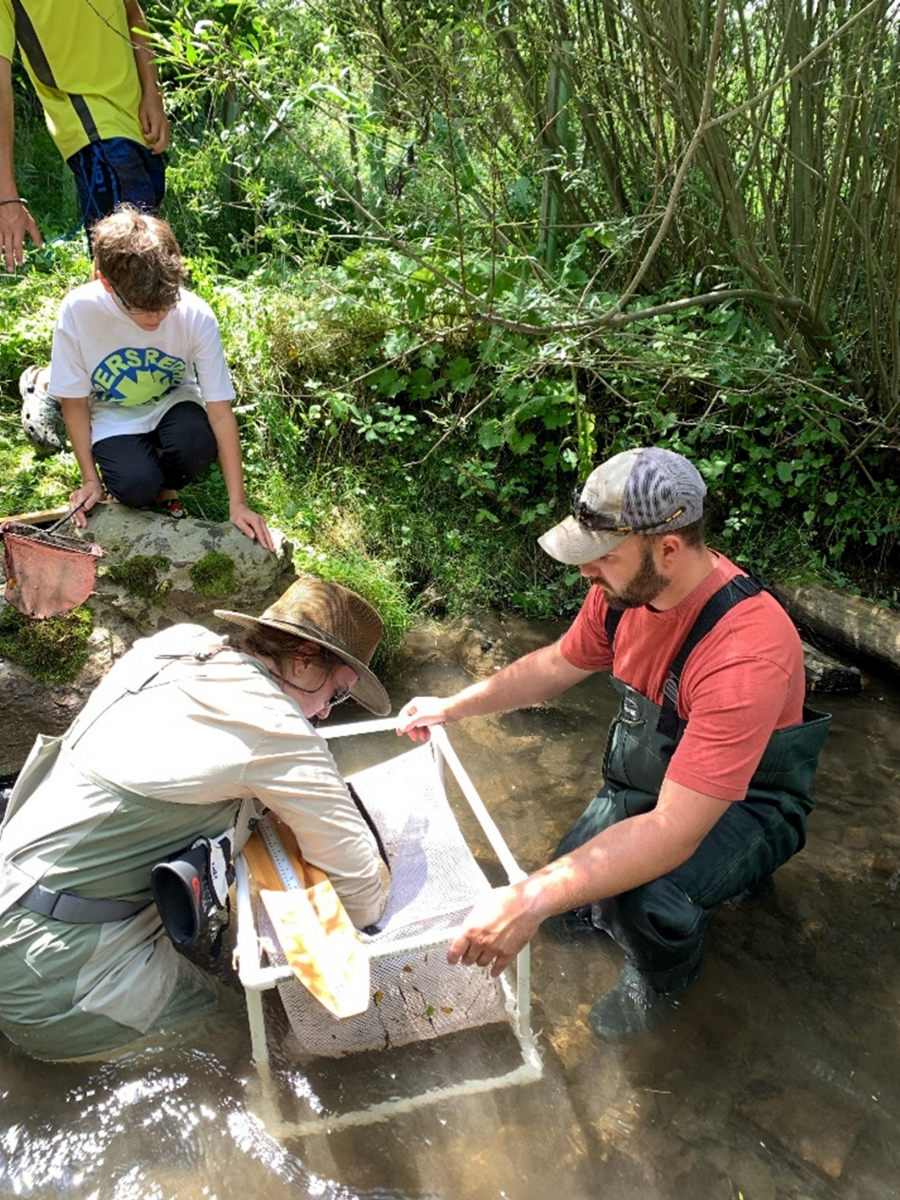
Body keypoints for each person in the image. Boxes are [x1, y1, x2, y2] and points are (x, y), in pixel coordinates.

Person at [397, 447, 831, 1039]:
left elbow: (672, 832)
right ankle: (722, 889)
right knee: (571, 909)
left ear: (668, 549)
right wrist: (453, 706)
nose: (584, 572)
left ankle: (664, 990)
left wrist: (528, 898)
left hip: (747, 801)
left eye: (600, 557)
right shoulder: (623, 593)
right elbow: (555, 664)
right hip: (654, 782)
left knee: (641, 902)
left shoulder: (744, 652)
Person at [0, 575, 392, 1061]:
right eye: (335, 694)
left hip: (15, 892)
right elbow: (360, 894)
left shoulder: (176, 644)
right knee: (244, 1044)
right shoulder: (277, 729)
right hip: (52, 970)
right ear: (305, 661)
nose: (327, 715)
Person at [31, 206, 273, 547]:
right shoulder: (79, 311)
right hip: (113, 411)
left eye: (165, 303)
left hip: (174, 400)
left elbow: (220, 412)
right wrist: (90, 479)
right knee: (135, 487)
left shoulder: (195, 315)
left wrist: (239, 505)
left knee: (197, 447)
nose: (156, 316)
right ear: (105, 282)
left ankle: (165, 479)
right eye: (141, 307)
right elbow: (75, 403)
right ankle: (43, 384)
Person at [0, 0, 169, 273]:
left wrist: (153, 93)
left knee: (125, 268)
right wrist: (7, 196)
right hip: (94, 131)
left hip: (137, 123)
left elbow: (132, 12)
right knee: (136, 269)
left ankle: (93, 313)